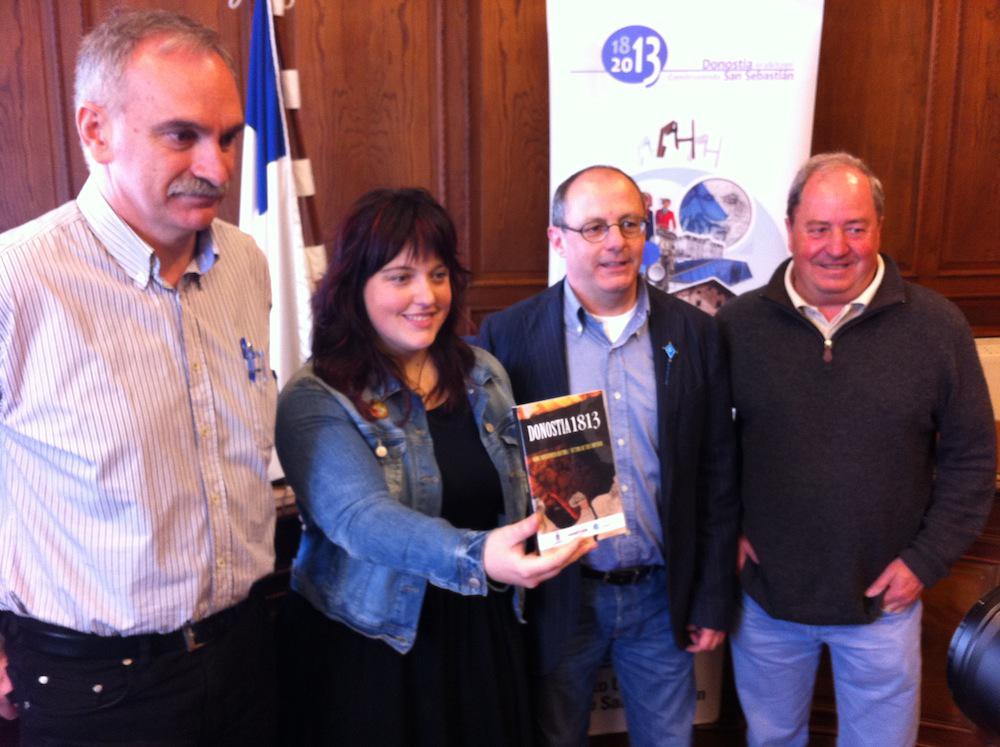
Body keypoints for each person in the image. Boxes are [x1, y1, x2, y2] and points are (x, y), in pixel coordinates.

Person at [0, 10, 278, 745]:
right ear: (96, 131)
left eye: (227, 137)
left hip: (248, 652)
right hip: (96, 688)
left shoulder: (246, 264)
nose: (218, 168)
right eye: (181, 135)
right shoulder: (15, 280)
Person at [274, 187, 594, 746]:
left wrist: (582, 505)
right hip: (375, 644)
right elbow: (360, 519)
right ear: (354, 287)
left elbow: (521, 486)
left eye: (439, 274)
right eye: (401, 277)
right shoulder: (317, 394)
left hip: (484, 629)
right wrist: (477, 555)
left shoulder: (482, 373)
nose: (427, 295)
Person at [716, 152, 997, 747]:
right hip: (766, 599)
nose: (836, 247)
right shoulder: (735, 326)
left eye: (855, 227)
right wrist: (727, 532)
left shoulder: (937, 327)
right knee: (771, 738)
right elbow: (706, 449)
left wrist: (925, 561)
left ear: (879, 229)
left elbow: (972, 457)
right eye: (818, 228)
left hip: (885, 603)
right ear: (790, 229)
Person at [477, 165, 739, 746]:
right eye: (594, 227)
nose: (616, 242)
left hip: (661, 595)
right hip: (559, 597)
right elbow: (490, 476)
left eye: (629, 223)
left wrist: (713, 594)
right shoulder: (509, 337)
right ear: (558, 239)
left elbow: (718, 474)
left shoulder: (695, 333)